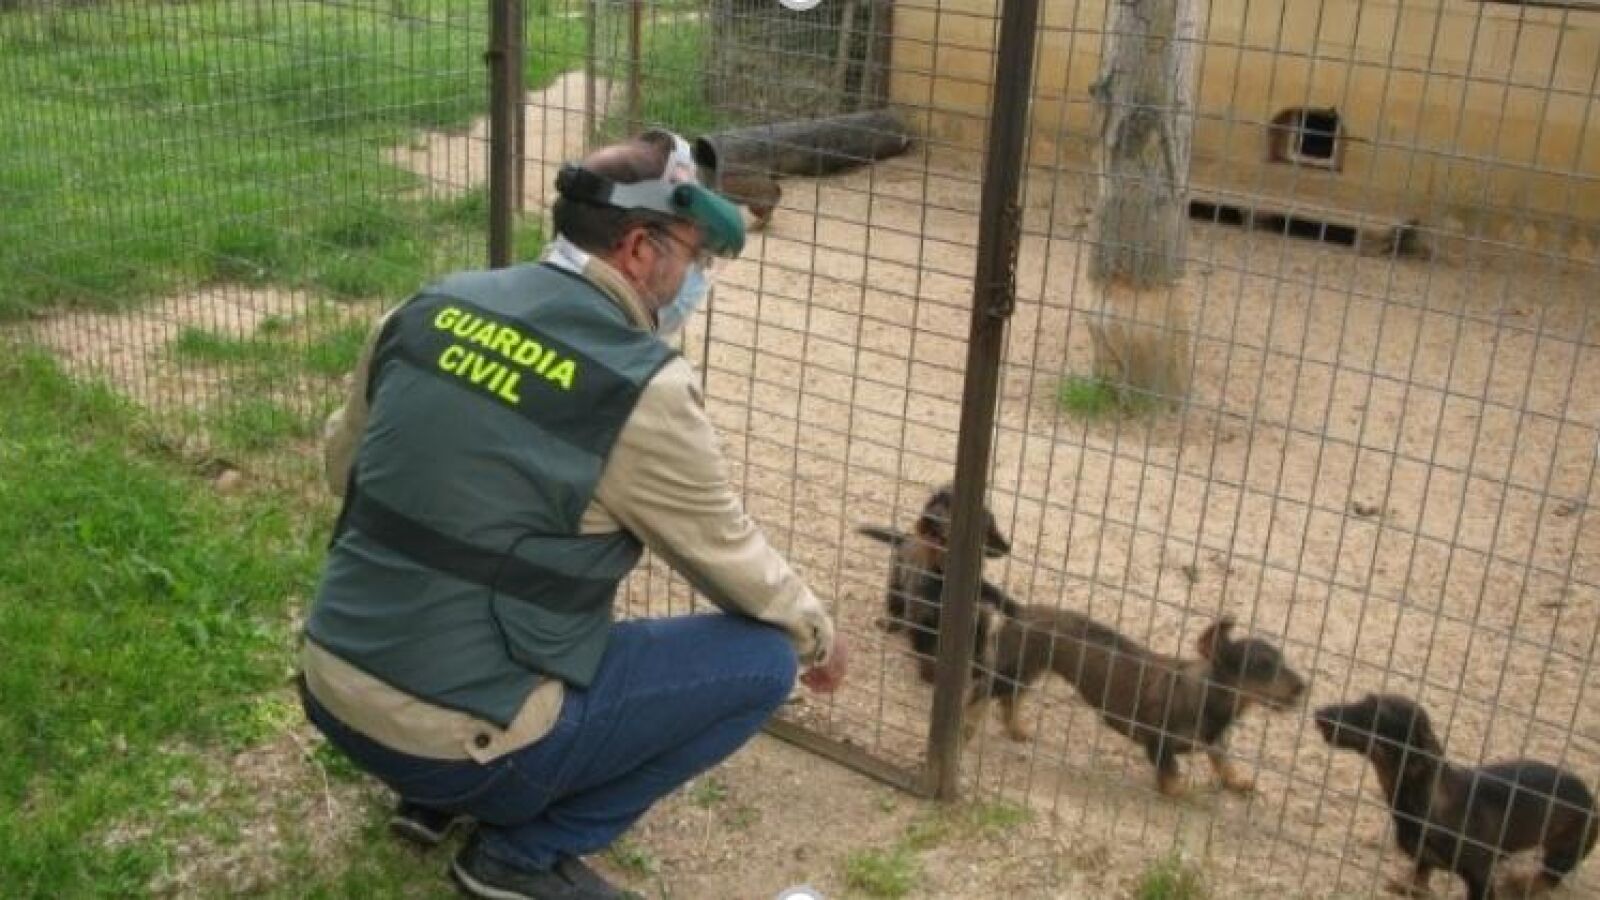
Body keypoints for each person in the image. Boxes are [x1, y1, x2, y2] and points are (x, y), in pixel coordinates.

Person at [298, 128, 847, 900]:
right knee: (762, 663)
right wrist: (818, 635)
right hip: (455, 742)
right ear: (640, 249)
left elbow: (341, 468)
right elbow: (730, 557)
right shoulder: (639, 386)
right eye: (695, 258)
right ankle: (519, 856)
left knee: (489, 545)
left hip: (330, 685)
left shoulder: (426, 307)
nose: (699, 279)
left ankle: (429, 800)